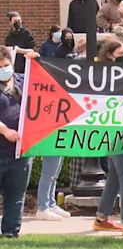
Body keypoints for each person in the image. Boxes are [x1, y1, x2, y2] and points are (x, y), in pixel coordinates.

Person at [93, 39, 123, 237]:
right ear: (111, 55)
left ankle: (101, 218)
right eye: (121, 54)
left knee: (114, 177)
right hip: (117, 131)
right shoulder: (104, 76)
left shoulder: (122, 73)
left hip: (121, 129)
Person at [0, 46, 38, 237]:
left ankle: (10, 234)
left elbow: (47, 87)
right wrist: (4, 130)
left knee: (15, 197)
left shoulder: (24, 81)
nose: (4, 70)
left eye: (6, 65)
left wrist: (36, 61)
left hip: (21, 152)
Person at [36, 26, 72, 221]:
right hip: (48, 131)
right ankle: (43, 206)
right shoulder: (45, 90)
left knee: (55, 171)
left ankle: (50, 203)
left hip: (58, 128)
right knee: (49, 170)